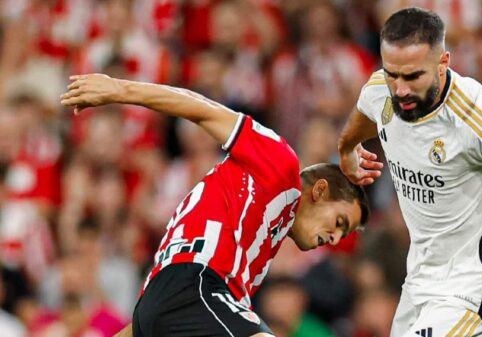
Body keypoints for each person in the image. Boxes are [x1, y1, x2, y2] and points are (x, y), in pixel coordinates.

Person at [60, 73, 369, 337]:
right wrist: (118, 89)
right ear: (320, 190)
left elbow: (159, 315)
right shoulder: (280, 164)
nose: (336, 238)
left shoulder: (257, 246)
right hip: (194, 283)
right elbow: (201, 109)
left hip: (157, 303)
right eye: (341, 222)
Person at [338, 8, 482, 337]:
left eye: (413, 77)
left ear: (443, 62)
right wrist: (347, 148)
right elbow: (366, 111)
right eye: (392, 74)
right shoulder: (382, 90)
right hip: (422, 279)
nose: (400, 88)